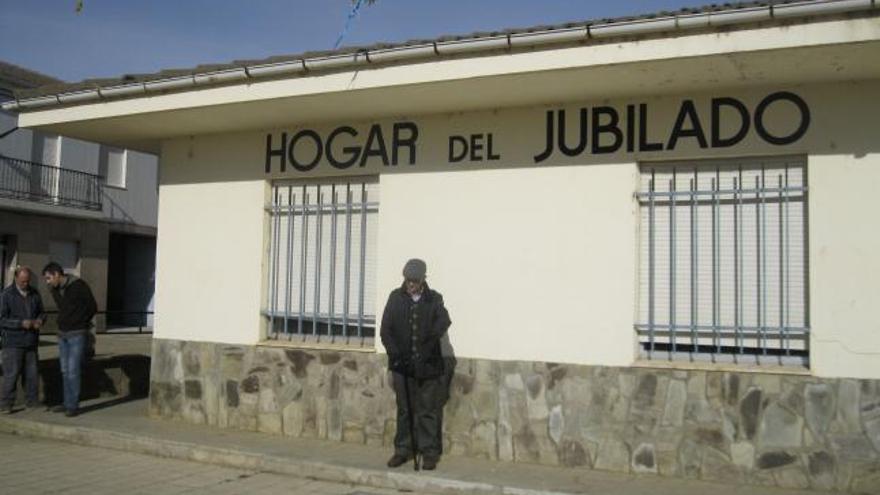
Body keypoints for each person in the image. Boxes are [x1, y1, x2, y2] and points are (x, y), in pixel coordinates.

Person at [380, 258, 451, 471]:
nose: (410, 284)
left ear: (422, 280)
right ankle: (403, 450)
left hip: (428, 365)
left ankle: (429, 452)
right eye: (407, 280)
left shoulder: (434, 299)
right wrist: (396, 355)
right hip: (402, 366)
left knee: (428, 409)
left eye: (414, 280)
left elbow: (443, 322)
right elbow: (386, 331)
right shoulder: (395, 297)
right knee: (405, 409)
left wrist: (427, 348)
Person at [42, 262, 97, 417]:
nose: (47, 282)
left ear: (57, 275)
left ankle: (73, 405)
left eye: (48, 278)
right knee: (65, 371)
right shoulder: (56, 289)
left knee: (73, 371)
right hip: (62, 334)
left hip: (76, 333)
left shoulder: (79, 286)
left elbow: (92, 307)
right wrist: (54, 291)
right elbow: (64, 308)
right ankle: (67, 402)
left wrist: (81, 323)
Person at [0, 267, 45, 414]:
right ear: (16, 278)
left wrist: (39, 320)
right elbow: (2, 319)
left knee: (32, 374)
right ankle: (6, 404)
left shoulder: (34, 293)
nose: (25, 283)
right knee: (11, 374)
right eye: (22, 281)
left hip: (31, 341)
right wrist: (20, 323)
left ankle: (32, 402)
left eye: (27, 281)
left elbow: (42, 312)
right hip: (12, 342)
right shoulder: (6, 295)